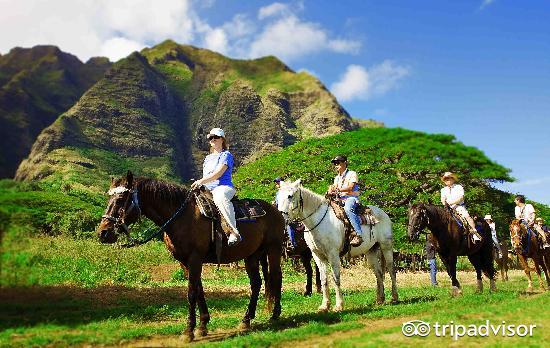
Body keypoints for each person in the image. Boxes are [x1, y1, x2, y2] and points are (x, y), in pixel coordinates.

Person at [191, 128, 241, 246]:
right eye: (210, 138)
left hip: (223, 187)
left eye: (216, 137)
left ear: (222, 139)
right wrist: (201, 184)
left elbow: (218, 174)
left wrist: (201, 181)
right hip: (207, 188)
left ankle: (234, 232)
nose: (213, 139)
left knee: (220, 198)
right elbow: (206, 175)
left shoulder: (226, 155)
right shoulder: (207, 158)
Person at [327, 155, 363, 247]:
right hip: (339, 199)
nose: (336, 165)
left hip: (350, 198)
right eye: (335, 163)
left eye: (338, 163)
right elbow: (335, 190)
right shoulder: (336, 178)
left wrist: (337, 189)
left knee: (348, 209)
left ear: (345, 163)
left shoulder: (352, 174)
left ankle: (359, 234)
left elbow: (351, 187)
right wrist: (330, 191)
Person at [439, 171, 481, 242]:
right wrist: (444, 203)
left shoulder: (458, 187)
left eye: (449, 178)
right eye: (446, 179)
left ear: (452, 179)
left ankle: (474, 233)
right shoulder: (443, 190)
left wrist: (451, 203)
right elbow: (442, 199)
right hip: (447, 208)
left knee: (466, 216)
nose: (447, 180)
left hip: (459, 207)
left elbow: (461, 198)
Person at [273, 177, 297, 249]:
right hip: (279, 212)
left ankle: (292, 243)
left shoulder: (287, 191)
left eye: (278, 182)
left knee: (288, 225)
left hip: (287, 212)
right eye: (276, 183)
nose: (277, 184)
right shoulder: (278, 193)